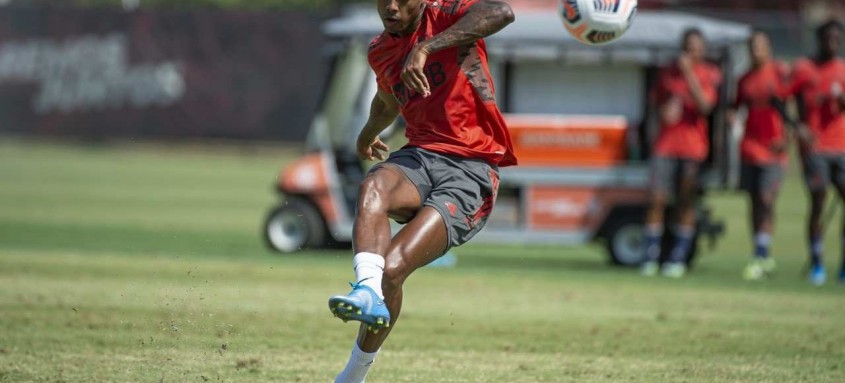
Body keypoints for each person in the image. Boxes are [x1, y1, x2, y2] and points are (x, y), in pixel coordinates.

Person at [326, 1, 517, 382]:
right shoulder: (380, 48)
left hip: (471, 167)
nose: (391, 7)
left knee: (393, 270)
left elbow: (501, 12)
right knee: (373, 186)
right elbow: (388, 99)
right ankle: (365, 291)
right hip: (419, 156)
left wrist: (426, 47)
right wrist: (368, 133)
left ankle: (354, 373)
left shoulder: (446, 14)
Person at [640, 28, 722, 278]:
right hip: (665, 145)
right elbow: (655, 104)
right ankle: (651, 256)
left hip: (693, 148)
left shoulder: (709, 73)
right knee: (656, 198)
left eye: (696, 47)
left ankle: (678, 257)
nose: (691, 52)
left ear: (703, 50)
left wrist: (689, 75)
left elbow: (706, 106)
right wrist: (664, 112)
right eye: (687, 47)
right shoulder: (667, 74)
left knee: (685, 202)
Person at [730, 31, 791, 280]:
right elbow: (736, 106)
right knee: (754, 201)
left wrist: (787, 138)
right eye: (752, 47)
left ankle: (763, 251)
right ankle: (760, 252)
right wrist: (731, 116)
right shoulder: (744, 79)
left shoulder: (779, 73)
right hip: (750, 148)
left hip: (774, 149)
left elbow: (792, 106)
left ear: (768, 48)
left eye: (760, 47)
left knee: (767, 198)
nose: (756, 51)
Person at [790, 20, 845, 286]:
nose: (832, 43)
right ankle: (817, 263)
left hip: (842, 147)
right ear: (820, 39)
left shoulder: (843, 70)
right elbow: (779, 98)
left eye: (837, 39)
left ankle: (844, 264)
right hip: (816, 147)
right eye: (828, 38)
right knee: (819, 200)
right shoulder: (804, 68)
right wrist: (797, 126)